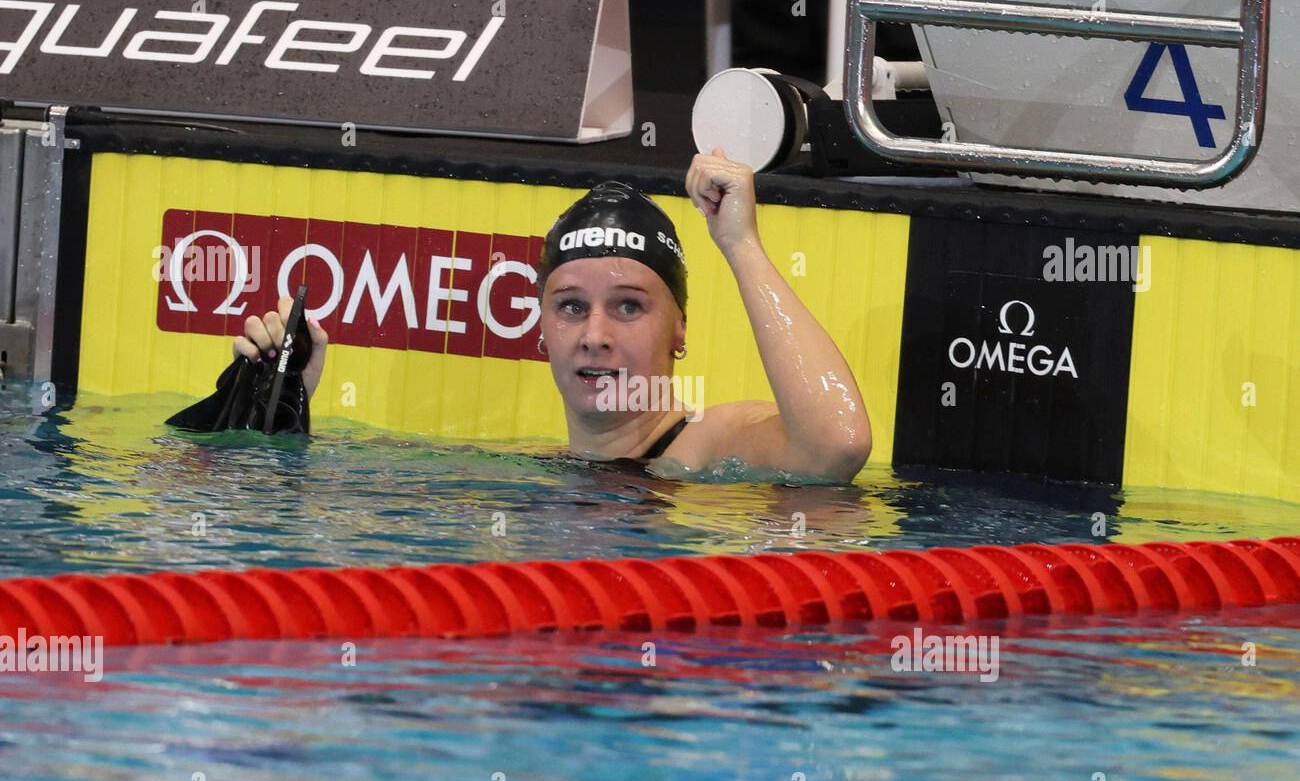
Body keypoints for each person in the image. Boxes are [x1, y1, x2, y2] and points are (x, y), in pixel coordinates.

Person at [234, 149, 872, 482]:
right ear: (541, 331)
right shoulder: (535, 468)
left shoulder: (711, 444)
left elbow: (836, 445)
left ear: (680, 328)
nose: (595, 336)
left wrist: (741, 244)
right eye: (572, 307)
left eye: (628, 306)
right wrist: (284, 411)